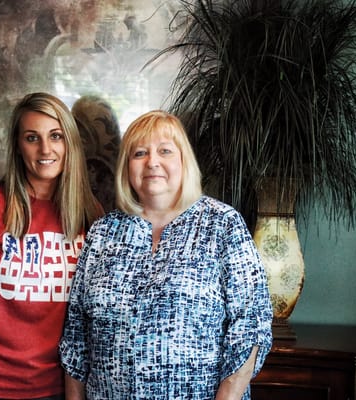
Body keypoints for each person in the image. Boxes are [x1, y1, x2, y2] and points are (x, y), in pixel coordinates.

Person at [59, 110, 273, 399]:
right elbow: (76, 338)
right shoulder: (103, 232)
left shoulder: (222, 225)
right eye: (140, 153)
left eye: (165, 151)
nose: (152, 162)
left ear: (184, 161)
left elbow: (251, 328)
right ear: (127, 167)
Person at [0, 92, 103, 400]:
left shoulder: (90, 213)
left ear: (68, 142)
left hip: (59, 387)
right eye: (32, 138)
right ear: (18, 146)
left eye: (55, 136)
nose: (46, 149)